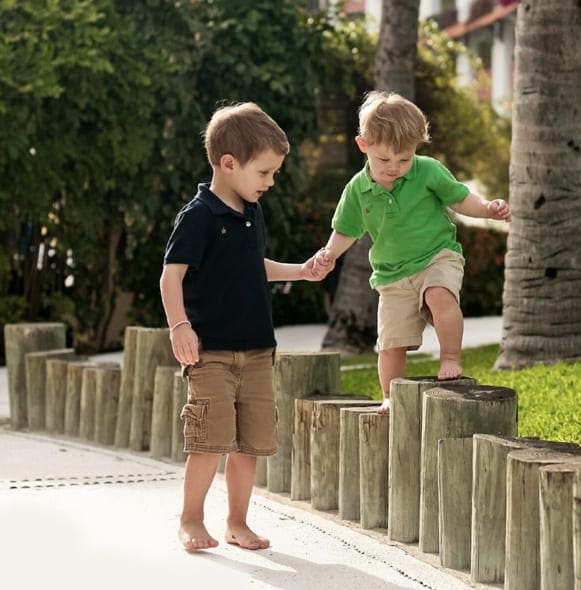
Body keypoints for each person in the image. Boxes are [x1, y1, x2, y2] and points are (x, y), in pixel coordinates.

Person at [160, 102, 326, 552]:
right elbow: (170, 275)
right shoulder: (198, 216)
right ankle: (191, 519)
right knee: (209, 441)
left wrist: (301, 271)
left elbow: (256, 267)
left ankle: (237, 522)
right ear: (229, 164)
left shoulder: (252, 213)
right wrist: (180, 325)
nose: (270, 182)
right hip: (210, 351)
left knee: (249, 444)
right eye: (265, 172)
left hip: (256, 351)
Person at [316, 91, 511, 414]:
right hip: (392, 274)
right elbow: (347, 229)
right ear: (363, 145)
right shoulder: (356, 189)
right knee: (391, 344)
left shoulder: (428, 171)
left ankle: (450, 356)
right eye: (384, 160)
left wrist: (488, 209)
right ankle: (391, 395)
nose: (394, 167)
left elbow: (460, 199)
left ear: (416, 149)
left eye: (403, 159)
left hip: (437, 255)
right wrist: (329, 254)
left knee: (439, 295)